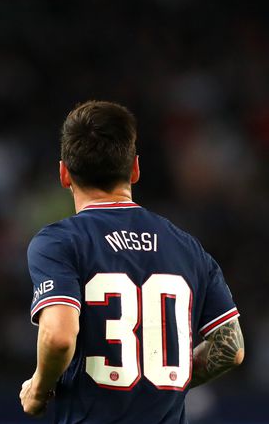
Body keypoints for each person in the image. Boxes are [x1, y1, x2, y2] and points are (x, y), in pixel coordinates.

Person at [19, 101, 244, 423]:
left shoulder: (59, 242)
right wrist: (157, 379)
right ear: (135, 169)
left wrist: (38, 389)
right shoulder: (186, 246)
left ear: (64, 174)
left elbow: (58, 337)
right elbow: (231, 347)